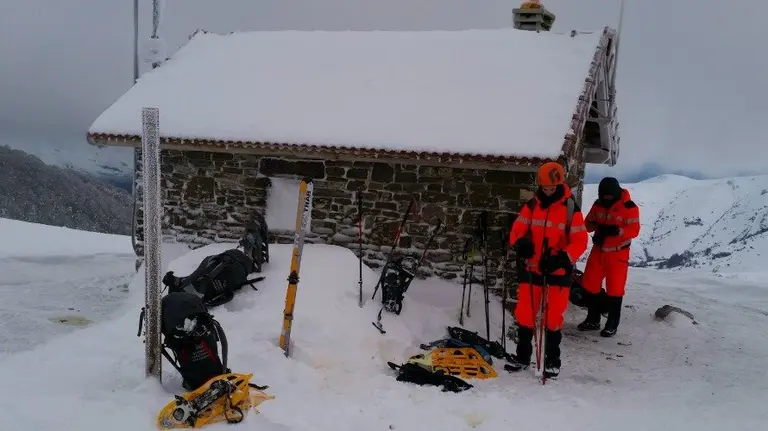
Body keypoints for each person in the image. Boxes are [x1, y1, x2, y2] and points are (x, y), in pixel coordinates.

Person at [506, 161, 588, 378]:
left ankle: (552, 361)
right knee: (525, 314)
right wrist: (520, 243)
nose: (548, 191)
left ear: (559, 184)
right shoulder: (532, 205)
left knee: (553, 318)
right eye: (545, 188)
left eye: (552, 188)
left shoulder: (571, 209)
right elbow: (516, 230)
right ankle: (522, 357)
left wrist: (562, 258)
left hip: (558, 273)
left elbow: (580, 241)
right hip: (531, 270)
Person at [577, 177, 640, 337]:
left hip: (618, 252)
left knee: (615, 288)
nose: (606, 199)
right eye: (604, 196)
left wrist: (619, 232)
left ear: (616, 193)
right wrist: (597, 228)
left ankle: (612, 323)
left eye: (609, 196)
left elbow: (634, 230)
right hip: (599, 249)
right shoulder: (598, 205)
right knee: (590, 284)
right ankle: (593, 319)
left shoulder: (629, 207)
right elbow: (588, 224)